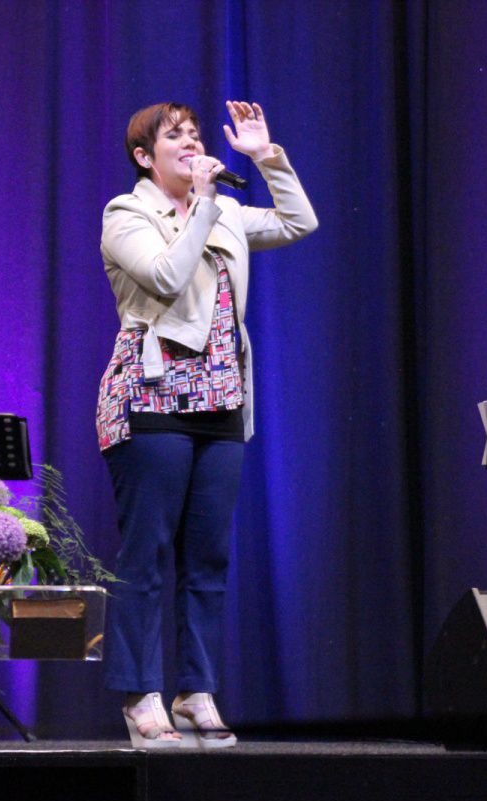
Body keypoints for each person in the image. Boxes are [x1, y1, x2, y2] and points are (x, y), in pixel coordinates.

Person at [97, 100, 318, 748]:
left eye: (196, 134)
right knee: (147, 553)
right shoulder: (126, 214)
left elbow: (299, 221)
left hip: (222, 399)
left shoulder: (222, 212)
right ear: (145, 156)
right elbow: (166, 277)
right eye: (177, 137)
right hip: (153, 398)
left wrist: (264, 156)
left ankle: (197, 690)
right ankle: (141, 693)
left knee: (208, 557)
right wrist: (201, 204)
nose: (192, 143)